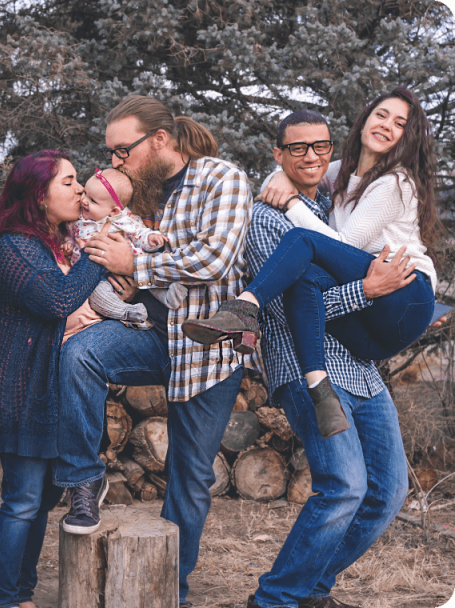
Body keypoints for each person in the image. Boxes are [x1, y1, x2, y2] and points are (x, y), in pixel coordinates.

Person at [56, 95, 254, 607]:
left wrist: (135, 266)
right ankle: (84, 481)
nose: (115, 160)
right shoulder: (132, 190)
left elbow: (214, 259)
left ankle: (171, 591)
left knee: (190, 475)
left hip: (209, 344)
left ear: (160, 139)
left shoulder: (221, 178)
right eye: (111, 152)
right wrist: (112, 279)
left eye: (123, 150)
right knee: (78, 354)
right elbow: (102, 244)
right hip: (147, 329)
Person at [183, 87, 440, 440]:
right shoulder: (342, 171)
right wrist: (278, 177)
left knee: (302, 240)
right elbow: (299, 172)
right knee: (303, 277)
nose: (386, 125)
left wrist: (292, 205)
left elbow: (343, 243)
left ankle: (244, 307)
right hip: (373, 334)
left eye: (399, 123)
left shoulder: (395, 182)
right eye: (381, 115)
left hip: (405, 290)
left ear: (406, 137)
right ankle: (319, 387)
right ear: (365, 119)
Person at [241, 110, 412, 608]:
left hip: (361, 370)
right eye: (297, 148)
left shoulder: (334, 211)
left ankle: (312, 589)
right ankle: (274, 599)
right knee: (343, 487)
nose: (311, 156)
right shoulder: (267, 221)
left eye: (321, 146)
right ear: (278, 154)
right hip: (306, 369)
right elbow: (283, 311)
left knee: (388, 493)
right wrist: (367, 291)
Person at [0, 150, 108, 608]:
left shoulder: (55, 245)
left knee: (40, 501)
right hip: (19, 390)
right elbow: (57, 299)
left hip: (48, 391)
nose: (80, 188)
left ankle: (21, 593)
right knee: (23, 500)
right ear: (38, 194)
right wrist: (99, 255)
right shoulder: (14, 247)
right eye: (68, 181)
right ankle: (3, 599)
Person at [69, 167, 188, 324]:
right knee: (97, 294)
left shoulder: (122, 219)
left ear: (114, 211)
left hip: (129, 264)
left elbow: (139, 232)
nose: (84, 200)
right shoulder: (78, 219)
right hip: (99, 276)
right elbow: (71, 238)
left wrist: (150, 238)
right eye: (85, 193)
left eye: (93, 201)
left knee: (147, 273)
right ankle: (126, 312)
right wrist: (67, 245)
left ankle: (167, 296)